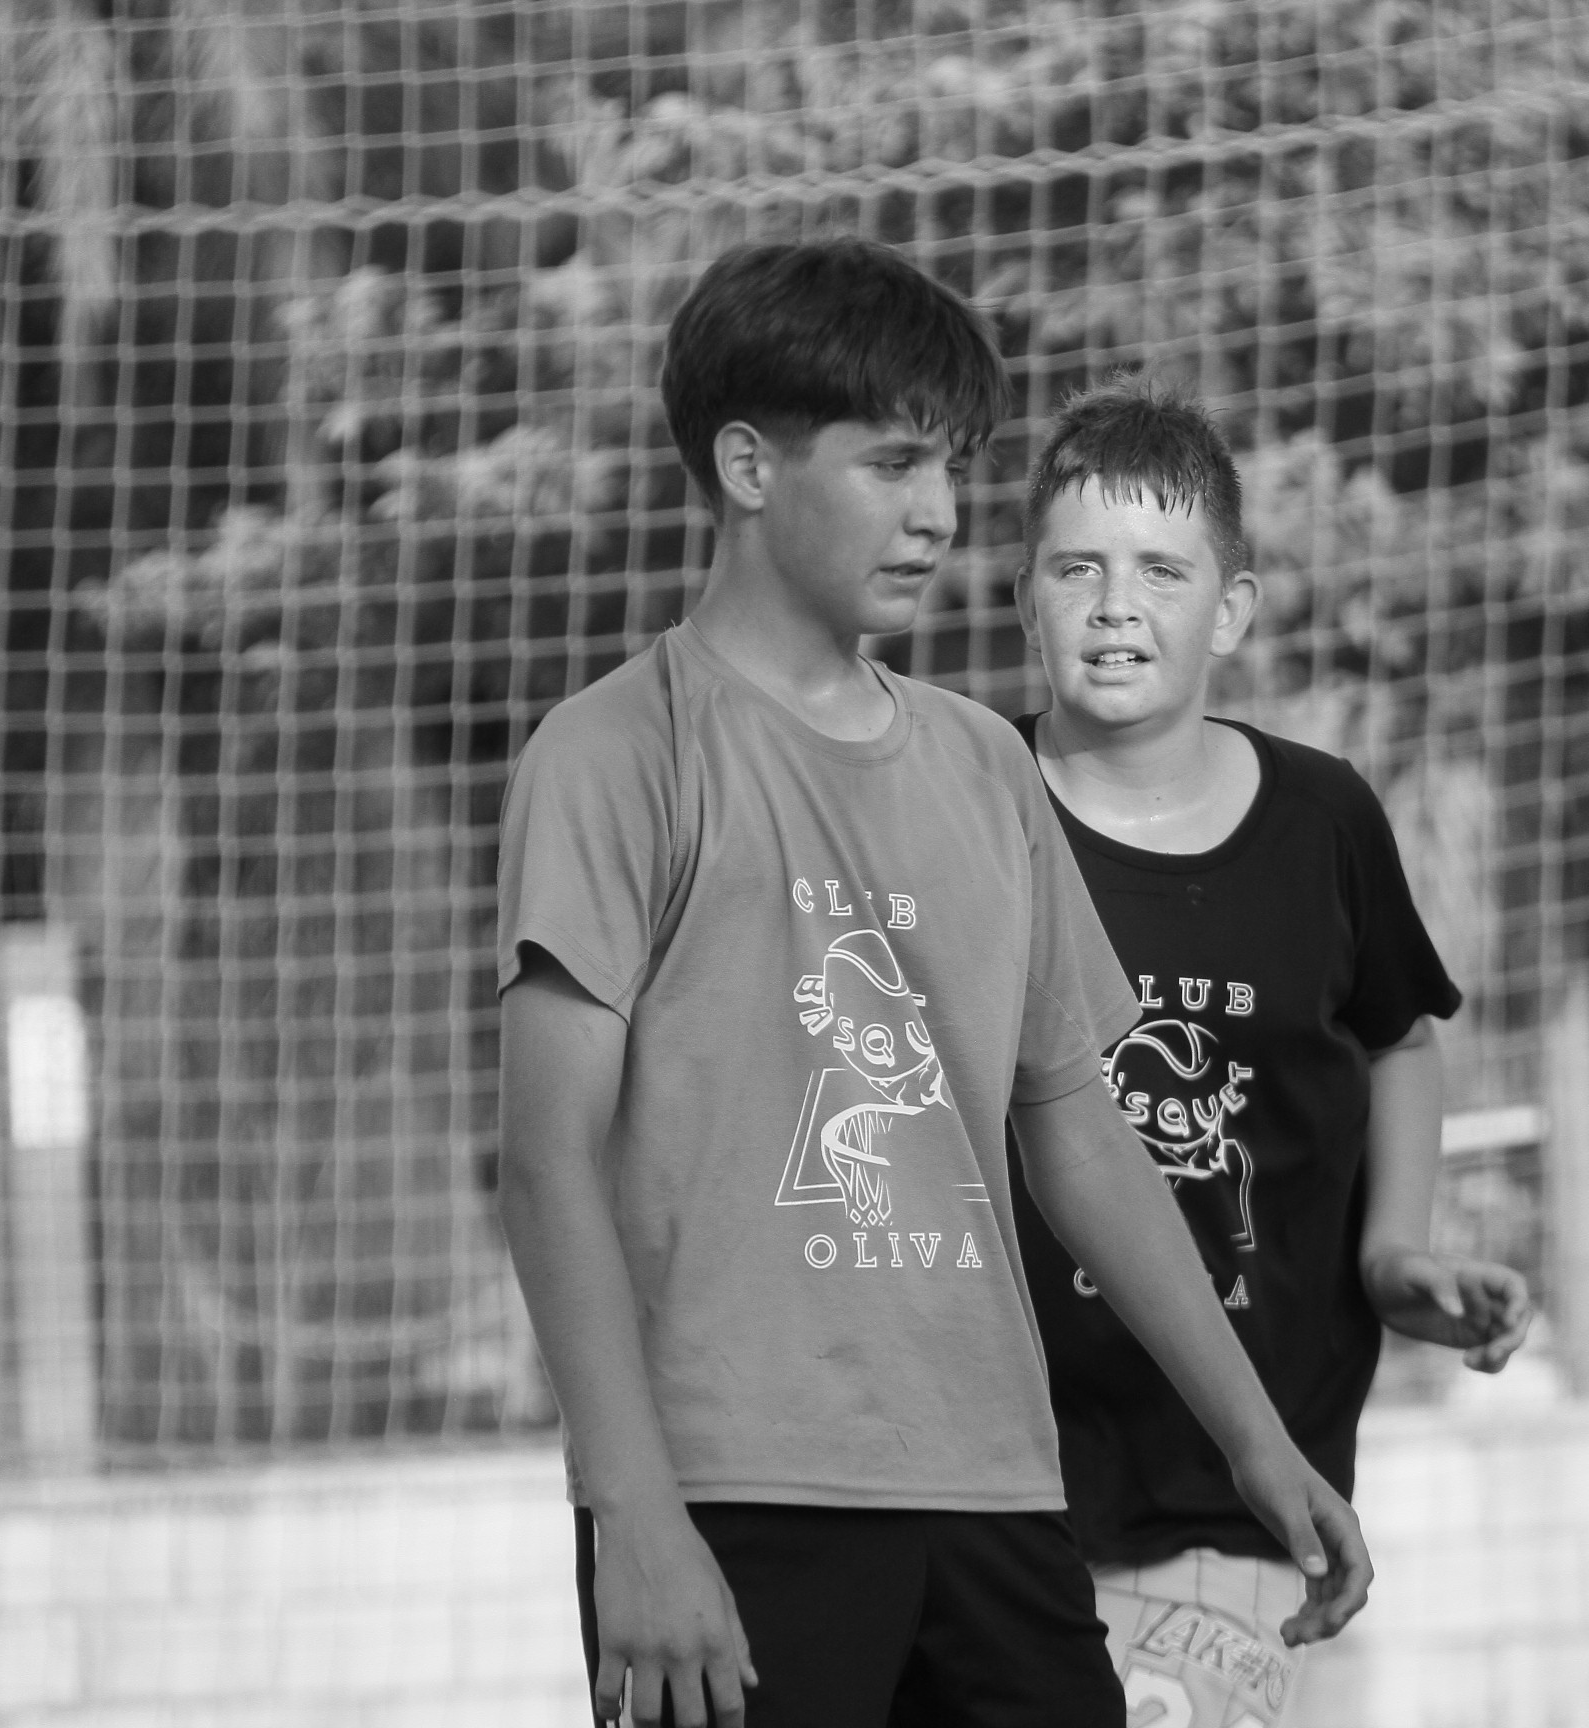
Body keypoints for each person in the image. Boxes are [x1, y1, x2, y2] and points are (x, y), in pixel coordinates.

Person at [494, 241, 1370, 1728]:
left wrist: (1256, 1437)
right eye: (893, 462)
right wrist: (633, 1511)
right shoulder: (615, 755)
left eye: (952, 465)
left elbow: (1080, 1135)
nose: (940, 512)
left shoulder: (982, 764)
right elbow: (545, 1160)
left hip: (998, 1495)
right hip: (733, 1496)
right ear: (749, 466)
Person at [1008, 378, 1534, 1728]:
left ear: (1231, 610)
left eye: (1161, 571)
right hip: (1000, 1483)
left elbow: (1398, 1036)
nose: (1116, 606)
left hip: (1241, 1492)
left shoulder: (1322, 821)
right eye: (1077, 567)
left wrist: (1393, 1254)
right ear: (1024, 598)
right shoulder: (968, 806)